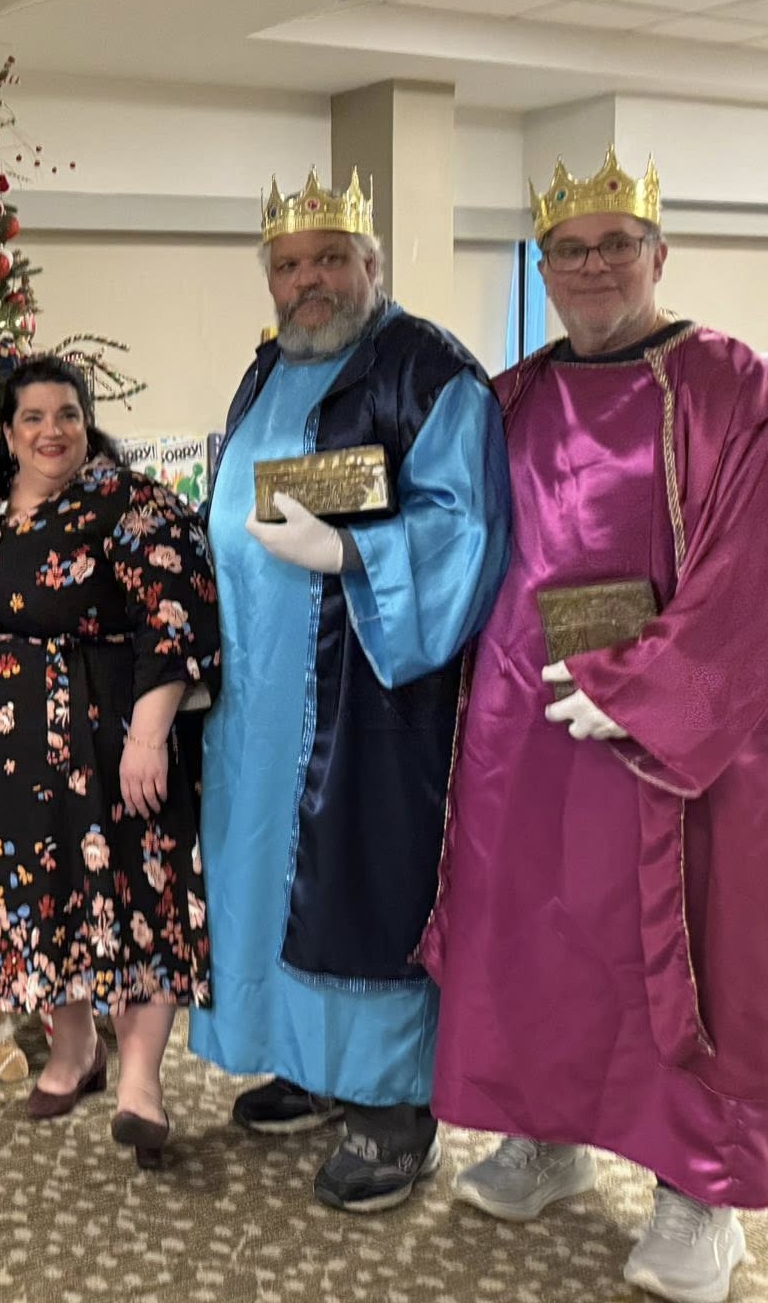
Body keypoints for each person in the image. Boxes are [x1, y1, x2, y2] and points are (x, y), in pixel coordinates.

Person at [426, 149, 768, 1303]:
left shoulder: (733, 386)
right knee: (529, 932)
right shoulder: (511, 394)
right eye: (566, 251)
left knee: (681, 950)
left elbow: (756, 572)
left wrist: (649, 687)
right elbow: (458, 537)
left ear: (657, 254)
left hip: (679, 738)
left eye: (611, 246)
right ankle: (546, 1138)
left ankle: (699, 1196)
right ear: (541, 267)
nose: (589, 266)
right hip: (522, 725)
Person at [188, 169, 510, 1213]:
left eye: (329, 259)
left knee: (360, 886)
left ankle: (389, 1104)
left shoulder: (426, 372)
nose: (307, 281)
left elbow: (465, 526)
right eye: (288, 265)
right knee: (264, 879)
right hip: (255, 697)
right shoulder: (262, 371)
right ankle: (309, 1061)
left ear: (370, 266)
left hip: (364, 695)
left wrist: (357, 560)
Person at [0, 356, 220, 1161]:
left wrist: (150, 735)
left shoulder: (129, 503)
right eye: (32, 417)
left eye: (67, 414)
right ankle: (72, 1050)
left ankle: (141, 1084)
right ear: (7, 431)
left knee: (133, 901)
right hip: (0, 766)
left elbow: (179, 613)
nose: (52, 430)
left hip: (108, 749)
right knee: (53, 907)